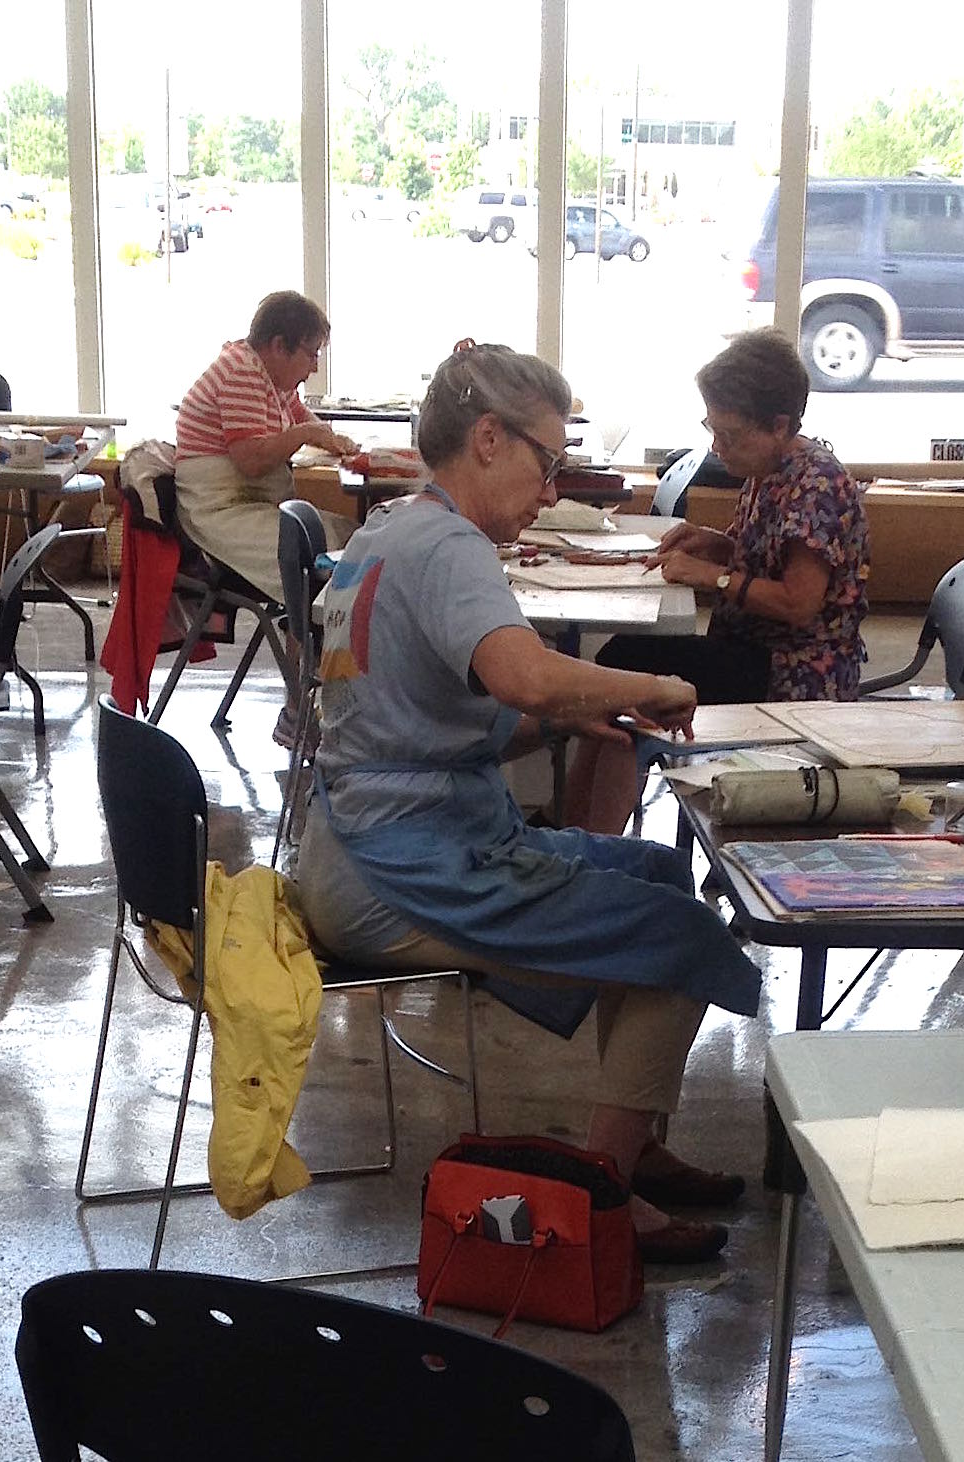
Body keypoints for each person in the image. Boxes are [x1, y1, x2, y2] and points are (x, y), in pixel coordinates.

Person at [292, 340, 762, 1264]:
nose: (550, 493)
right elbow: (526, 677)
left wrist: (564, 725)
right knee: (684, 940)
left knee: (661, 873)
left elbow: (427, 728)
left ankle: (635, 1141)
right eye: (547, 464)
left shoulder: (387, 532)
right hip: (399, 872)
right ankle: (603, 1195)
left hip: (361, 846)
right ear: (488, 439)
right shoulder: (450, 547)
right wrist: (651, 685)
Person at [567, 328, 870, 833]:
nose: (717, 446)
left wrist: (715, 576)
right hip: (756, 652)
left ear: (779, 426)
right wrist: (716, 544)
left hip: (794, 673)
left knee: (627, 670)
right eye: (713, 428)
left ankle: (592, 837)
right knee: (620, 668)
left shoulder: (816, 483)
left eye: (729, 435)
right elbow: (772, 559)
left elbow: (799, 602)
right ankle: (573, 827)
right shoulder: (769, 469)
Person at [172, 290, 360, 601]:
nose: (314, 367)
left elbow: (299, 414)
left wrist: (331, 439)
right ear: (278, 346)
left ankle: (316, 626)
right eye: (311, 354)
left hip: (245, 502)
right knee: (328, 551)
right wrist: (305, 434)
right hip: (220, 512)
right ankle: (312, 626)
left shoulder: (269, 375)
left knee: (352, 536)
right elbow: (252, 462)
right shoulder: (241, 370)